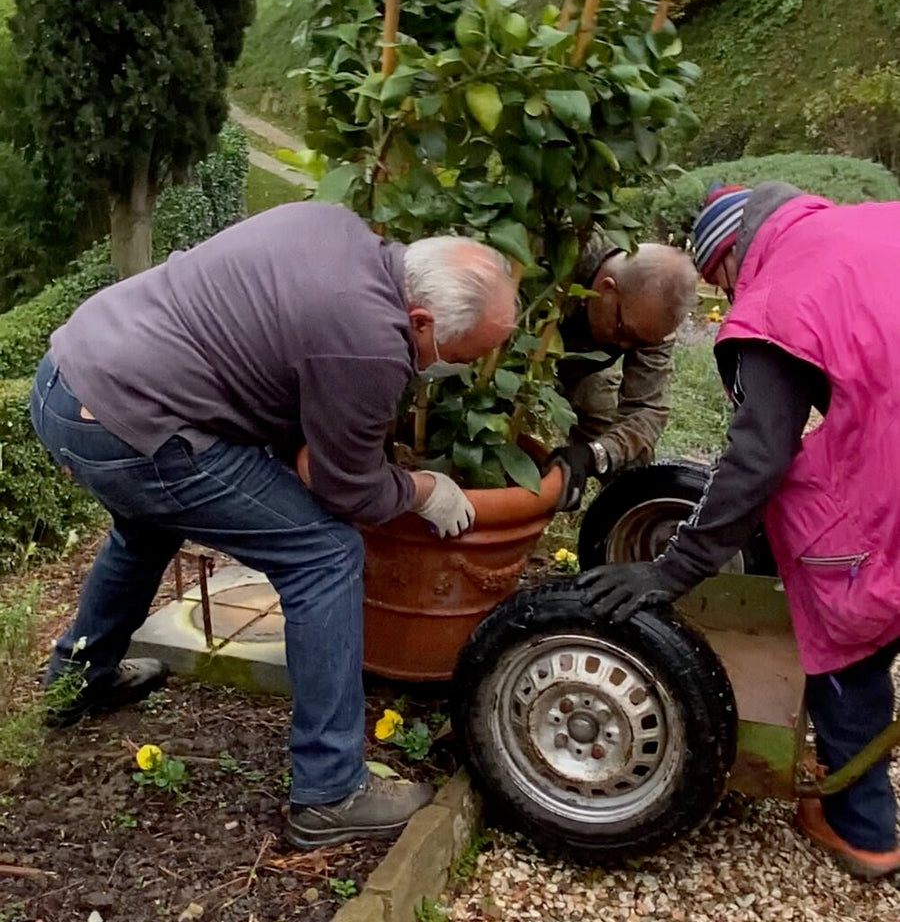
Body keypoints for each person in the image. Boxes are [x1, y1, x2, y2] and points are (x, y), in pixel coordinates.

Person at [30, 205, 517, 851]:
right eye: (461, 356)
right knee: (324, 554)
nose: (462, 369)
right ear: (422, 321)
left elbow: (278, 363)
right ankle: (330, 791)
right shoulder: (370, 340)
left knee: (146, 526)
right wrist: (422, 490)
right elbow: (343, 488)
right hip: (129, 429)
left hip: (68, 381)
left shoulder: (335, 228)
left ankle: (76, 681)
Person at [583, 181, 900, 881]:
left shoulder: (780, 297)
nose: (727, 299)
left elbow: (759, 455)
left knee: (851, 621)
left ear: (728, 258)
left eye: (721, 285)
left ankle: (865, 829)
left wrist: (673, 568)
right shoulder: (875, 225)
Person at [548, 231, 698, 509]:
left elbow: (647, 409)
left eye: (640, 342)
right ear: (607, 288)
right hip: (516, 357)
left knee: (632, 462)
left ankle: (623, 534)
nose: (626, 346)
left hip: (584, 370)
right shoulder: (566, 249)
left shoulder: (650, 322)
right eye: (623, 332)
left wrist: (595, 454)